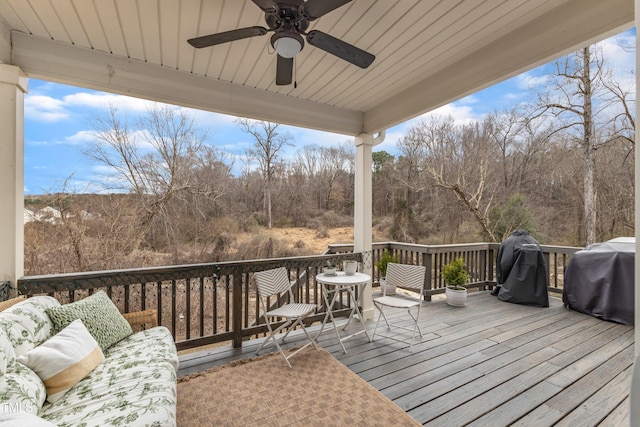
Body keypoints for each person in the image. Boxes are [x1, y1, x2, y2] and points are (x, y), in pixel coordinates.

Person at [493, 229, 549, 307]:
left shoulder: (509, 242)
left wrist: (501, 281)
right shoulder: (534, 242)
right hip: (535, 289)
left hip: (513, 288)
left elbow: (505, 264)